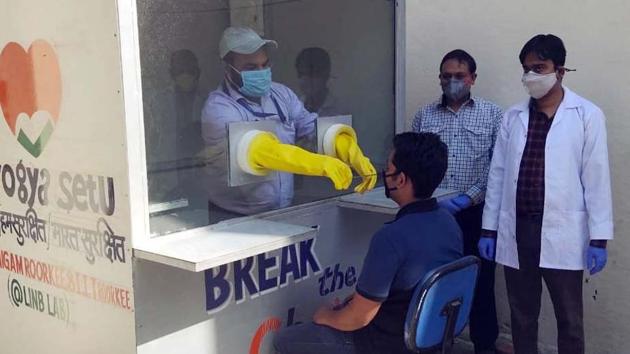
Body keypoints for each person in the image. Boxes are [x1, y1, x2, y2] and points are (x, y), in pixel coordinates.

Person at [478, 34, 613, 354]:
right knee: (522, 315)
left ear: (560, 70)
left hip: (563, 231)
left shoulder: (587, 115)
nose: (531, 77)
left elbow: (596, 178)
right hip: (518, 229)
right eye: (526, 69)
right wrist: (489, 229)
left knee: (569, 318)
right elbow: (497, 176)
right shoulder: (513, 117)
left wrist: (599, 239)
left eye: (539, 68)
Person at [273, 132, 463, 354]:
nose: (385, 173)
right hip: (429, 337)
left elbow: (357, 318)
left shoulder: (392, 237)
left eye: (389, 168)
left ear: (400, 180)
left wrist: (325, 316)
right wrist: (355, 302)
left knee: (286, 339)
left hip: (384, 343)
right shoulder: (448, 222)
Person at [201, 27, 361, 218]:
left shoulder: (281, 94)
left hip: (283, 209)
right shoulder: (218, 109)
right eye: (251, 68)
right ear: (228, 69)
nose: (261, 72)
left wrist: (344, 144)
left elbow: (311, 126)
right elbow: (260, 151)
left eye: (265, 65)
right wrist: (318, 163)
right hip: (234, 216)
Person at [411, 49, 502, 354]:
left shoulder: (492, 114)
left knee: (480, 282)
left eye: (459, 76)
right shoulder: (425, 115)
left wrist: (467, 199)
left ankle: (484, 345)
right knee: (433, 280)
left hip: (475, 214)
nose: (452, 81)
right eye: (446, 75)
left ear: (472, 79)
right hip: (433, 215)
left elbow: (499, 167)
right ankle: (432, 343)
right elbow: (416, 165)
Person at [145, 49, 205, 204]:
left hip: (197, 166)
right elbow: (152, 137)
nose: (185, 74)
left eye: (190, 70)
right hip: (168, 166)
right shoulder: (157, 101)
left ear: (198, 72)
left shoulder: (208, 100)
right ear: (172, 73)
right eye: (180, 70)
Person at [295, 47, 339, 116]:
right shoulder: (291, 109)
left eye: (311, 74)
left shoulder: (340, 111)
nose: (305, 80)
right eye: (301, 74)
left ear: (325, 76)